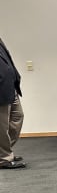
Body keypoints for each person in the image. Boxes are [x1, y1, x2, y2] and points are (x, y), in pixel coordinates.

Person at [0, 37, 25, 169]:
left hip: (10, 86)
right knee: (1, 127)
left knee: (17, 117)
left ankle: (5, 151)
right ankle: (3, 158)